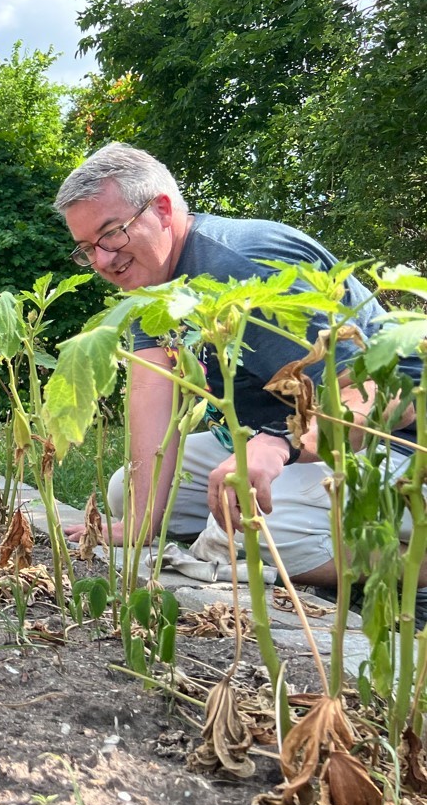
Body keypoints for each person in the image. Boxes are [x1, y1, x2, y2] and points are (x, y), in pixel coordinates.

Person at [53, 142, 422, 588]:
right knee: (125, 493)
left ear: (164, 210)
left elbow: (391, 393)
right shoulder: (155, 284)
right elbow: (153, 389)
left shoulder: (246, 267)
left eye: (112, 233)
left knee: (253, 531)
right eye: (87, 248)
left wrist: (277, 444)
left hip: (397, 446)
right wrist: (141, 521)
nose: (103, 261)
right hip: (283, 446)